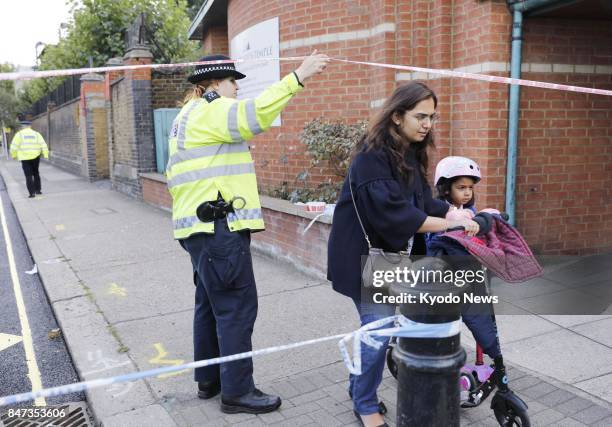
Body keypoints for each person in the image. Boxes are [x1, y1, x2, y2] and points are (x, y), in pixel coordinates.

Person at [166, 52, 330, 414]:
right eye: (232, 81)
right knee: (237, 307)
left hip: (198, 228)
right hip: (219, 229)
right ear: (212, 85)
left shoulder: (184, 116)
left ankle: (210, 380)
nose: (237, 87)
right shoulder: (211, 108)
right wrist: (298, 76)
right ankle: (237, 392)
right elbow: (255, 116)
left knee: (210, 305)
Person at [327, 82, 479, 427]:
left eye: (432, 117)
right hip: (362, 257)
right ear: (397, 116)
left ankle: (358, 388)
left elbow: (421, 202)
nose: (427, 124)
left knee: (375, 332)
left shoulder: (410, 153)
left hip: (385, 257)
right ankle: (365, 404)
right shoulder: (372, 156)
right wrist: (445, 225)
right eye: (420, 116)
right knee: (379, 331)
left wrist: (454, 212)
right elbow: (392, 211)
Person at [430, 156, 502, 361]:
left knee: (477, 313)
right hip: (439, 276)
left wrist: (487, 218)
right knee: (442, 323)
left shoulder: (469, 211)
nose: (467, 192)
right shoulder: (437, 211)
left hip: (463, 272)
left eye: (470, 187)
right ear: (445, 188)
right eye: (461, 187)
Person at [10, 120, 48, 198]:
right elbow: (43, 144)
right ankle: (38, 190)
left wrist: (14, 155)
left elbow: (13, 147)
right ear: (30, 126)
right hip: (36, 157)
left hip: (25, 158)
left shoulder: (19, 135)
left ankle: (32, 193)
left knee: (28, 176)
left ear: (22, 127)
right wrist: (46, 154)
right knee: (36, 173)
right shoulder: (36, 134)